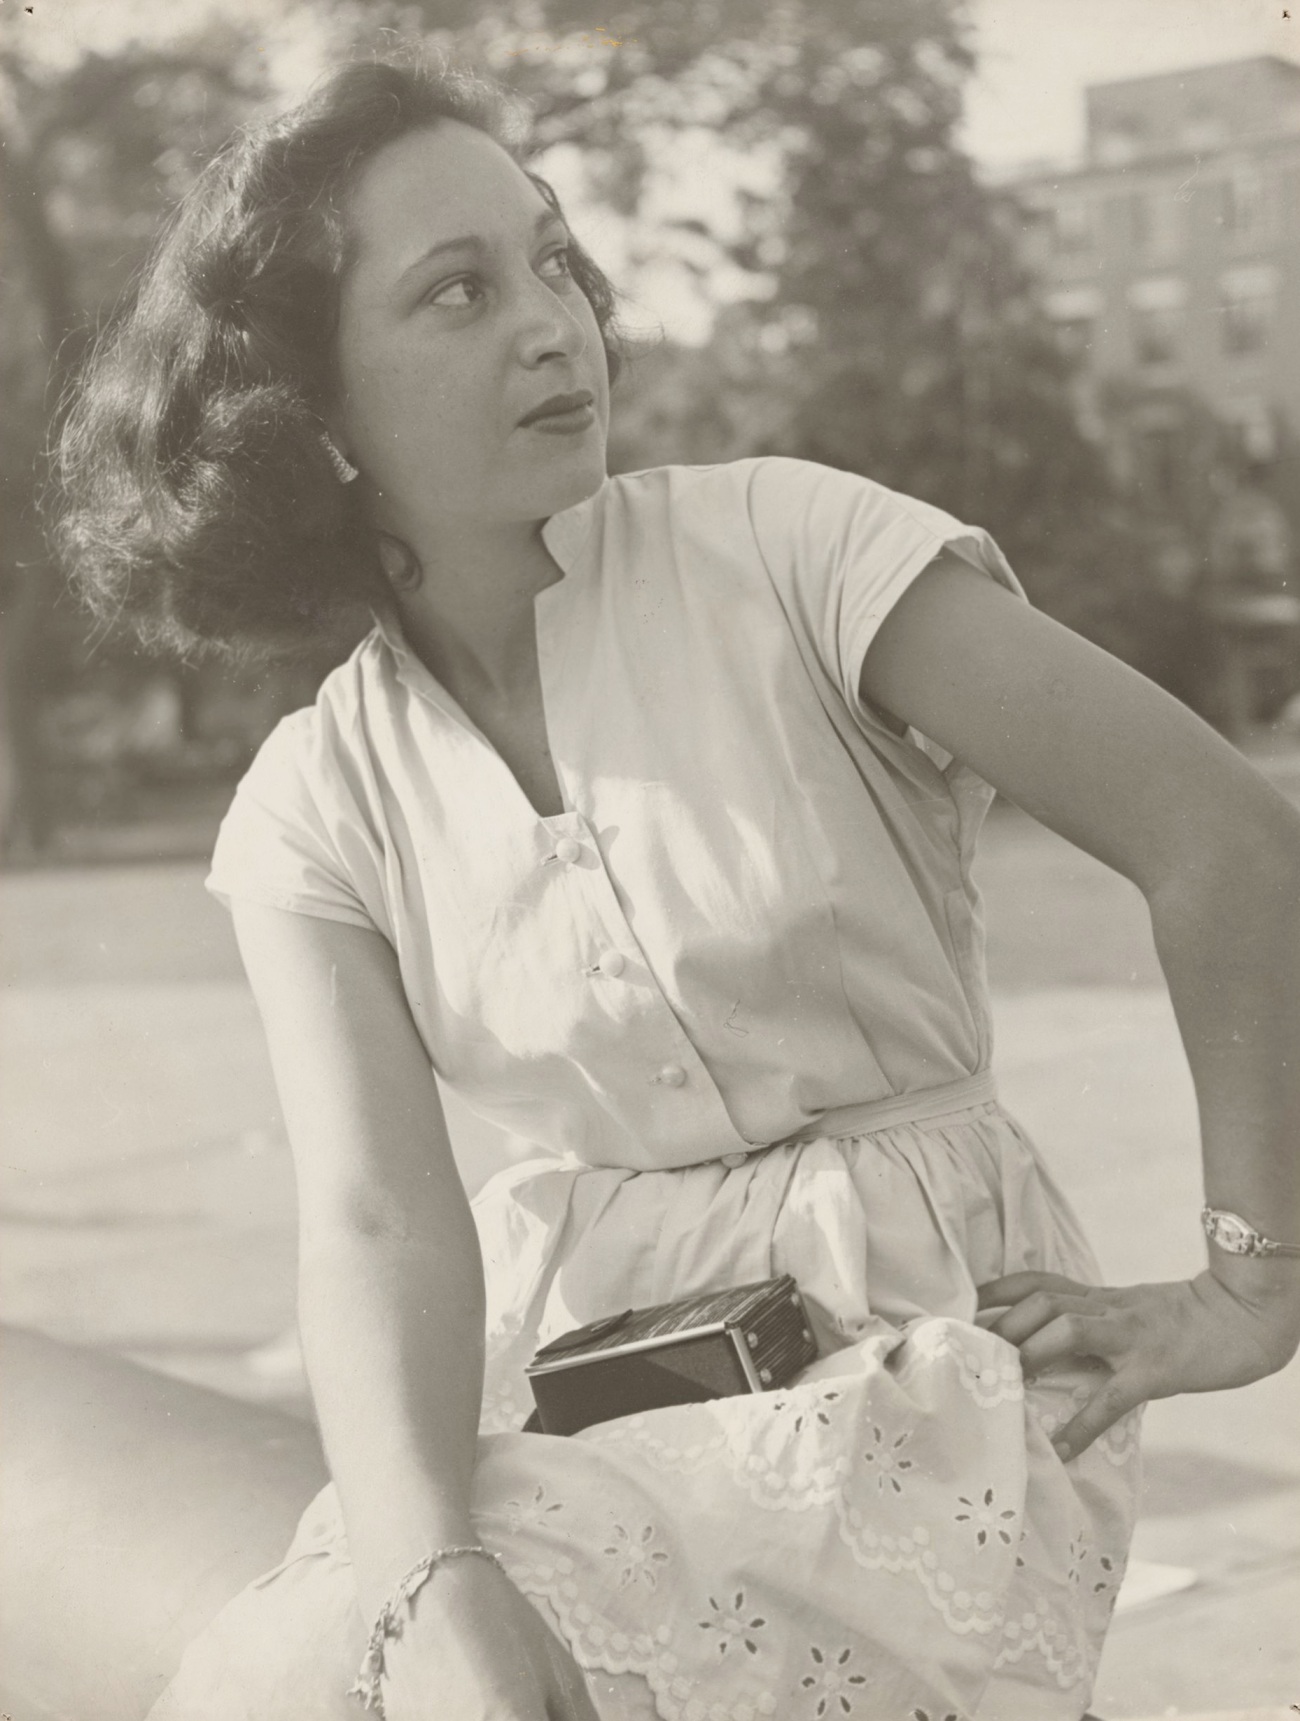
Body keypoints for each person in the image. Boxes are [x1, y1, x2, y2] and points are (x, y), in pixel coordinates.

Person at [27, 48, 1300, 1721]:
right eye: (459, 292)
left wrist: (1251, 1282)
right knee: (377, 1644)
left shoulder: (793, 551)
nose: (554, 322)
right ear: (314, 422)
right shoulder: (312, 806)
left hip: (928, 1386)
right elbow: (373, 1217)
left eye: (555, 258)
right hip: (603, 1398)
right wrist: (429, 1577)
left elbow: (1224, 835)